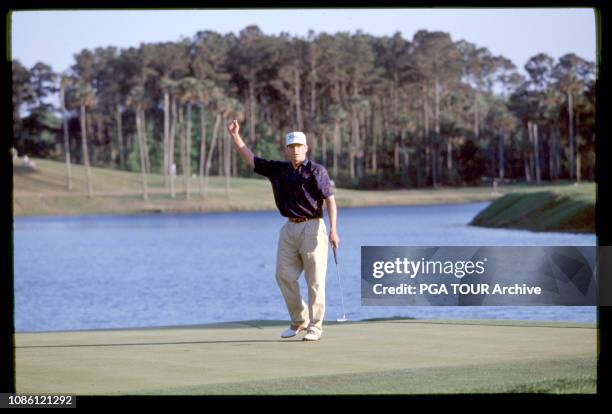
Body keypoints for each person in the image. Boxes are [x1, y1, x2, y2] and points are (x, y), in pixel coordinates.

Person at [228, 119, 340, 341]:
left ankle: (315, 327)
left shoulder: (317, 171)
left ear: (306, 148)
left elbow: (330, 201)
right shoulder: (278, 170)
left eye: (299, 146)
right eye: (291, 147)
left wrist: (333, 230)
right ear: (286, 150)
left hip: (313, 226)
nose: (296, 150)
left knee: (315, 279)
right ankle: (300, 320)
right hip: (289, 228)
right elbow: (251, 159)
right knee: (283, 276)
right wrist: (235, 136)